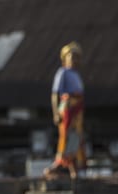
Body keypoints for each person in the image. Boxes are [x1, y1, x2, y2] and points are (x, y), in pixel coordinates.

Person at [43, 41, 86, 180]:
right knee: (66, 138)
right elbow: (55, 94)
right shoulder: (63, 72)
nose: (74, 60)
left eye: (77, 57)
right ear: (65, 58)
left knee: (75, 138)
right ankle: (57, 165)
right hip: (67, 109)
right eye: (72, 57)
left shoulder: (76, 74)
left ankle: (74, 169)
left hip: (76, 111)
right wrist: (55, 113)